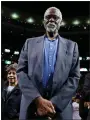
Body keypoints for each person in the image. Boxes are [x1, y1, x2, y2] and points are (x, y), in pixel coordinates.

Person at [17, 7, 80, 120]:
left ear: (60, 21)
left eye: (55, 17)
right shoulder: (29, 43)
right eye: (48, 17)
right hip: (32, 106)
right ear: (44, 21)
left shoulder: (72, 46)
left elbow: (74, 78)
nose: (51, 20)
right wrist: (38, 100)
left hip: (60, 110)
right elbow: (21, 72)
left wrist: (53, 104)